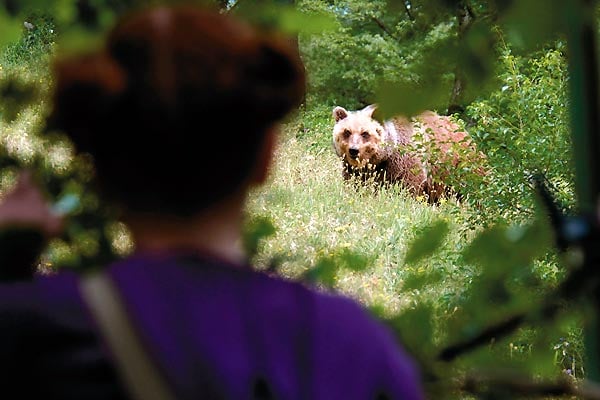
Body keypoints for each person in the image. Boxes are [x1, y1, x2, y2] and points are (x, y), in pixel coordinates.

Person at [0, 5, 424, 399]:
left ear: (95, 164)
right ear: (266, 158)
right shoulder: (350, 346)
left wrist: (9, 259)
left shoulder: (30, 329)